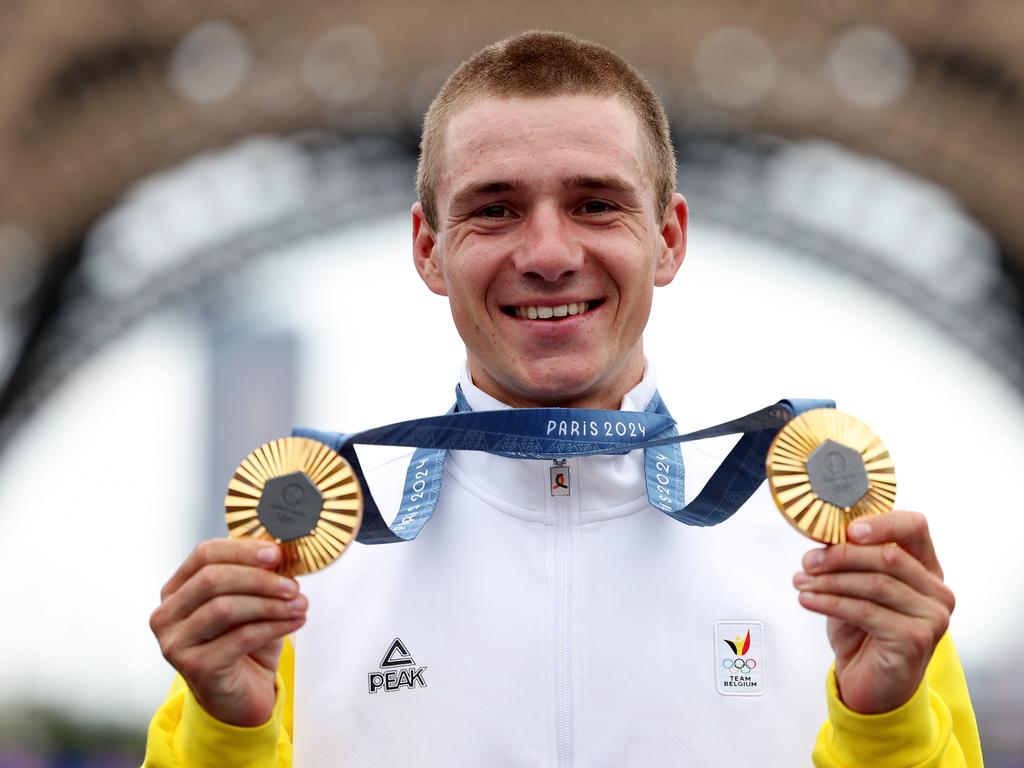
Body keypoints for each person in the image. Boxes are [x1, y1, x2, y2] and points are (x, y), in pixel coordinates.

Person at [144, 31, 982, 767]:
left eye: (595, 203)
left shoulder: (840, 570)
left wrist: (884, 730)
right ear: (429, 249)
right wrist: (225, 741)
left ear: (669, 237)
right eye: (496, 210)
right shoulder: (296, 582)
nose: (548, 252)